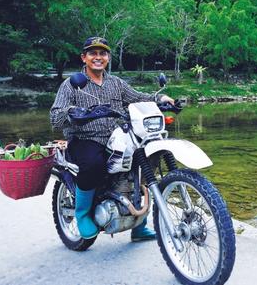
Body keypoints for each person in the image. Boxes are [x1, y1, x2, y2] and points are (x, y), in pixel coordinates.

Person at [50, 36, 174, 241]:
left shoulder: (115, 83)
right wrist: (74, 112)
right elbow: (55, 117)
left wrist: (161, 99)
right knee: (93, 164)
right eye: (93, 53)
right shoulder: (71, 85)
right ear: (84, 57)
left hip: (118, 138)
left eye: (103, 53)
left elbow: (137, 97)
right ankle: (82, 214)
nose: (98, 57)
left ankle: (139, 224)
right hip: (86, 138)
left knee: (144, 163)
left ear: (108, 57)